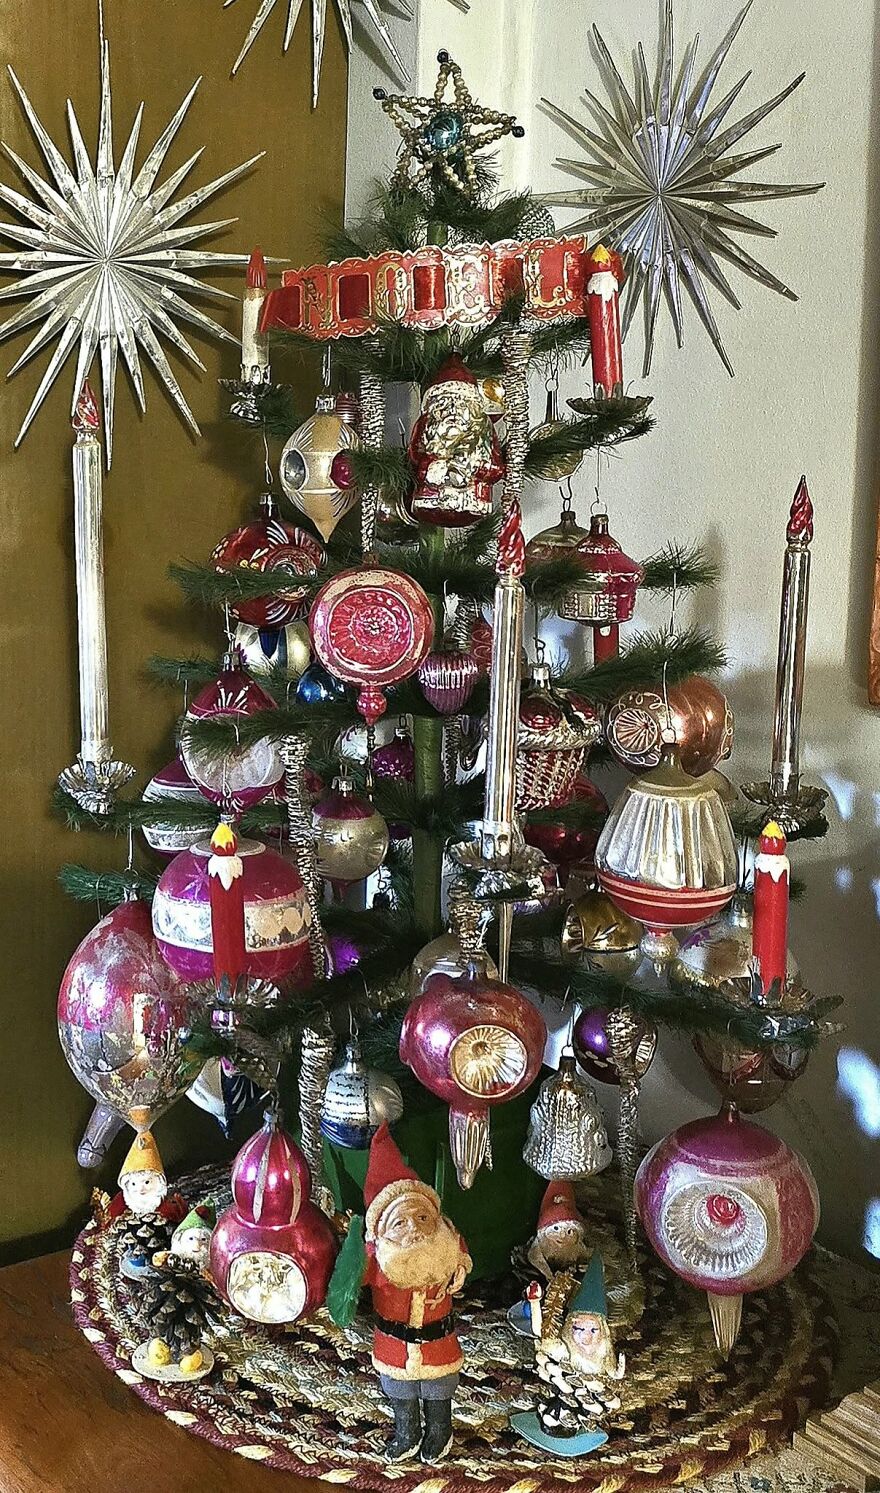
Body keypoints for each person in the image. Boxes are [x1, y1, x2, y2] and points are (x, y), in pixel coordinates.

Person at [362, 1123, 472, 1463]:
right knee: (399, 1389)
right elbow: (352, 1282)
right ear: (382, 1232)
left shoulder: (446, 1244)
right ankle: (406, 1430)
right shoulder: (377, 1258)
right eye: (401, 1222)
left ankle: (440, 1429)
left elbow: (462, 1255)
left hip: (438, 1343)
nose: (414, 1228)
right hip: (394, 1346)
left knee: (439, 1387)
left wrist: (461, 1267)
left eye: (422, 1217)